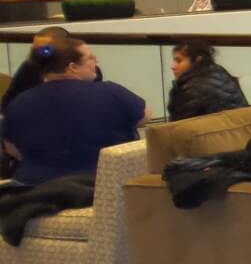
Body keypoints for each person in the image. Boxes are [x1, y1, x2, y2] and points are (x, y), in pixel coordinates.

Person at [3, 36, 148, 186]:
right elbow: (145, 117)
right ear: (73, 67)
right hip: (97, 188)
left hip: (31, 189)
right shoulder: (111, 92)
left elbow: (12, 149)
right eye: (90, 58)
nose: (96, 61)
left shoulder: (18, 102)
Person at [2, 26, 103, 113]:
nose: (38, 54)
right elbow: (8, 104)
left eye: (45, 49)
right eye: (35, 48)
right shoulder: (29, 68)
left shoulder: (90, 71)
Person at [166, 41, 248, 121]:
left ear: (198, 60)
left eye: (179, 61)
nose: (173, 66)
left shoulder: (193, 88)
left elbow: (178, 126)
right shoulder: (219, 73)